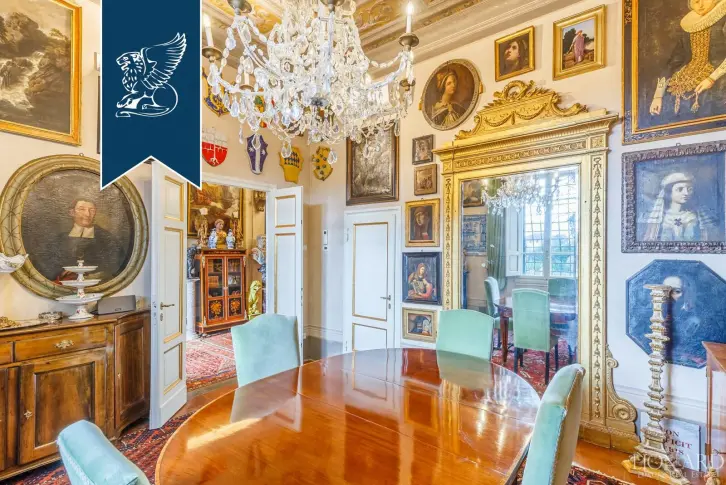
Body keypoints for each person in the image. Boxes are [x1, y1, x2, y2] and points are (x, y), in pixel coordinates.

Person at [649, 0, 726, 117]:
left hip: (719, 75)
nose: (700, 5)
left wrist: (712, 78)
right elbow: (674, 61)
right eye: (696, 1)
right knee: (670, 99)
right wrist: (658, 95)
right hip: (687, 75)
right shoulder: (689, 25)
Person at [43, 197, 125, 282]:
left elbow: (115, 265)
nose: (87, 214)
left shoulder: (107, 238)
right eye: (82, 209)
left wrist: (84, 271)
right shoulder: (59, 239)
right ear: (72, 212)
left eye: (92, 210)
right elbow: (49, 265)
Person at [642, 172, 719, 241]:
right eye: (680, 189)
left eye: (689, 189)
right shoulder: (661, 217)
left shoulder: (693, 217)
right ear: (669, 192)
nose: (686, 193)